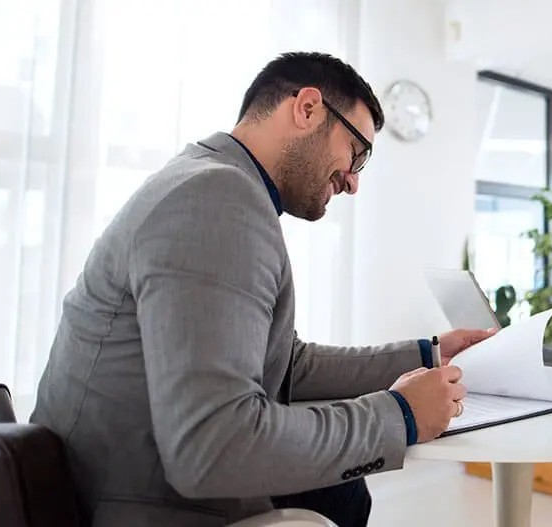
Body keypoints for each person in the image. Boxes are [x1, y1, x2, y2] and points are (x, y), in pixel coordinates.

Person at [29, 51, 493, 527]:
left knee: (341, 492)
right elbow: (212, 444)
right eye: (357, 152)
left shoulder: (208, 181)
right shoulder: (215, 198)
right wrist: (400, 416)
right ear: (307, 108)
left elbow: (287, 363)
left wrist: (428, 355)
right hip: (133, 506)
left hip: (114, 484)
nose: (354, 182)